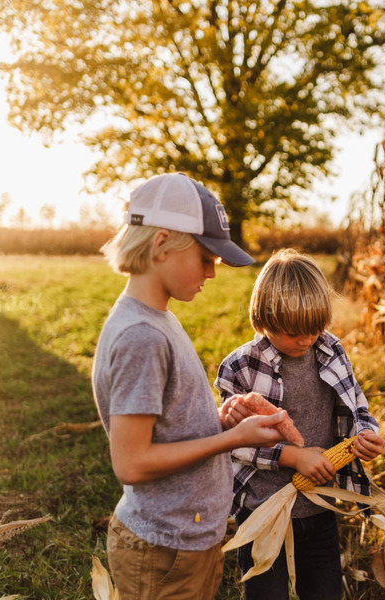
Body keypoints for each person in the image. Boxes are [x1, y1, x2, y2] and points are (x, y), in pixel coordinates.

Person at [92, 173, 286, 600]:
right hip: (163, 551)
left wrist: (219, 421)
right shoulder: (141, 336)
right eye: (205, 258)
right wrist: (232, 439)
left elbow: (165, 425)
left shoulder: (157, 317)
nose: (212, 273)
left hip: (184, 540)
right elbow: (132, 463)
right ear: (161, 243)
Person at [215, 249, 385, 600]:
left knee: (324, 591)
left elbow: (355, 404)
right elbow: (234, 441)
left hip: (320, 503)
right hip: (263, 508)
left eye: (314, 328)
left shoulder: (330, 349)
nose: (307, 340)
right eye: (294, 332)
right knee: (266, 592)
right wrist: (294, 457)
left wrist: (366, 433)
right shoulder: (240, 368)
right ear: (264, 317)